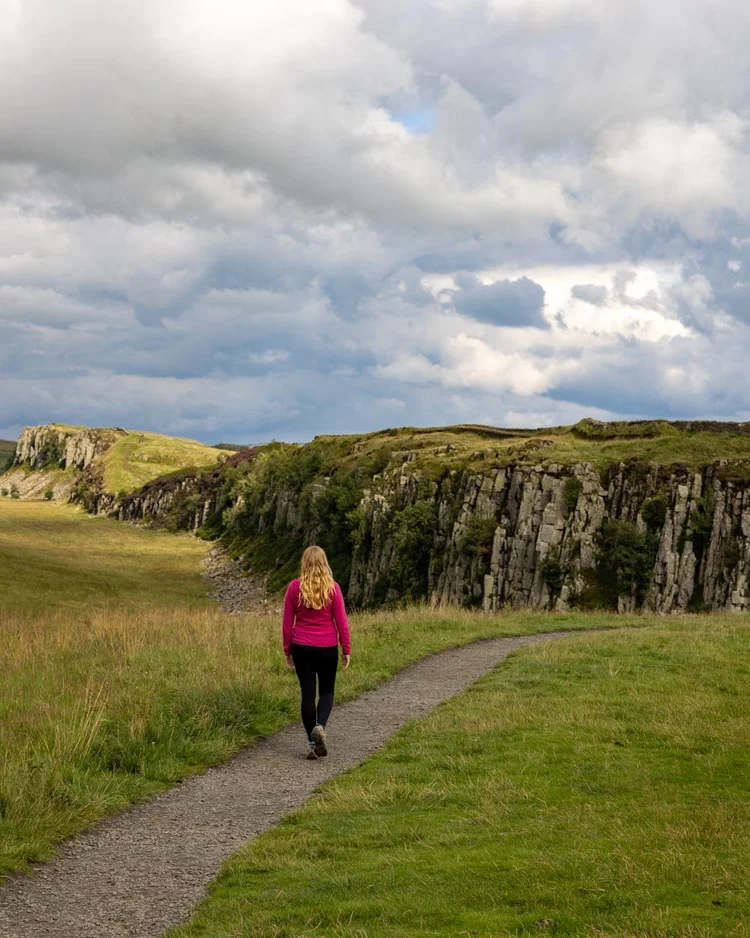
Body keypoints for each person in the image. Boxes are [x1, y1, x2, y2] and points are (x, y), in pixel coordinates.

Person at [283, 545, 351, 760]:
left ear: (304, 563)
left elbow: (287, 623)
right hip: (327, 647)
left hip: (301, 646)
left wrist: (287, 650)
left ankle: (313, 743)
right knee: (327, 692)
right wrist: (346, 649)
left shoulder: (295, 588)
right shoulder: (333, 588)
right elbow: (342, 622)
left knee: (307, 694)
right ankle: (320, 726)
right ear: (324, 563)